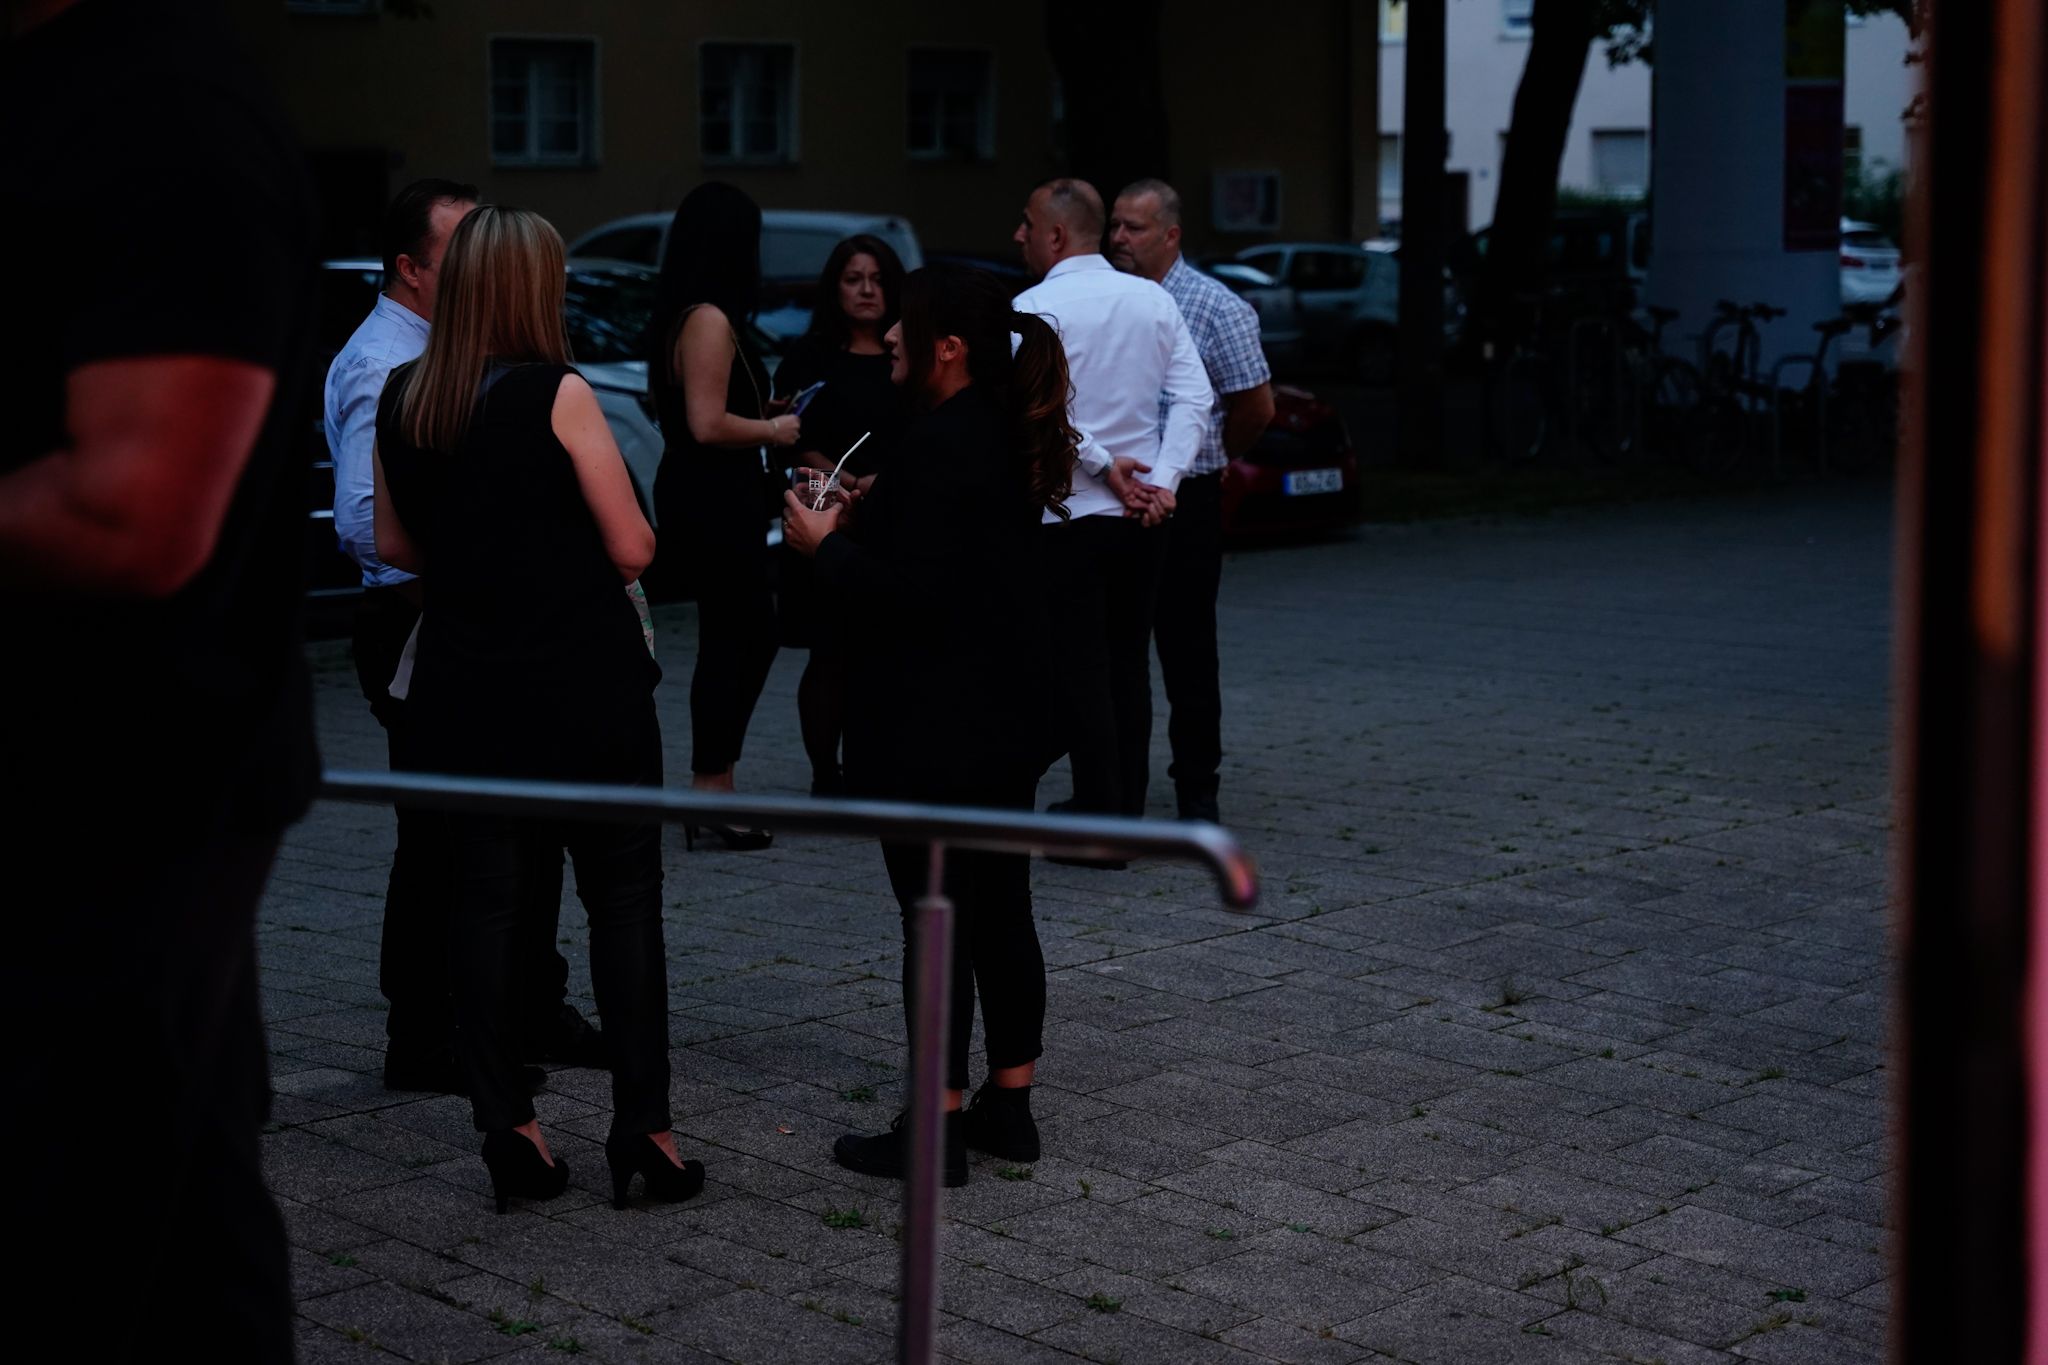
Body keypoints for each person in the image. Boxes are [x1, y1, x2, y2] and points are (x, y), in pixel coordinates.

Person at [2, 0, 318, 1354]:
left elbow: (135, 508)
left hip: (107, 798)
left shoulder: (160, 109)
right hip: (96, 799)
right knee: (186, 1248)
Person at [371, 206, 704, 1213]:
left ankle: (508, 1128)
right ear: (533, 288)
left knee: (484, 903)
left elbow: (393, 546)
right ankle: (644, 1132)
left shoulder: (402, 395)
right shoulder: (557, 392)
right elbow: (634, 548)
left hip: (464, 690)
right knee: (623, 902)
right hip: (584, 688)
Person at [782, 264, 1076, 1184]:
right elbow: (957, 563)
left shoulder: (940, 443)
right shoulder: (990, 428)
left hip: (938, 728)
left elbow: (917, 597)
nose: (890, 337)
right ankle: (1009, 1104)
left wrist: (825, 544)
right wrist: (873, 510)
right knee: (1001, 906)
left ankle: (938, 1127)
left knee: (937, 919)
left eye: (905, 323)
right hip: (1003, 719)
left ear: (947, 346)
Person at [326, 179, 606, 1092]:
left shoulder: (461, 353)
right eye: (463, 251)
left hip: (471, 616)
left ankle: (526, 1006)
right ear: (411, 269)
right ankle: (422, 1035)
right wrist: (481, 575)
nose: (485, 265)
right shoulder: (386, 364)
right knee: (441, 836)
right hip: (421, 618)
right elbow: (367, 525)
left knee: (524, 827)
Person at [1012, 179, 1213, 837]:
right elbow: (1196, 398)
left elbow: (1038, 409)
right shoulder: (1152, 299)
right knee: (1128, 661)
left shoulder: (1032, 308)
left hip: (1067, 513)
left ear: (1055, 235)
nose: (1018, 236)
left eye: (1027, 224)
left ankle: (1101, 818)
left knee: (1080, 666)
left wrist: (1105, 467)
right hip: (1141, 518)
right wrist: (1164, 481)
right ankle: (1124, 811)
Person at [1108, 178, 1275, 823]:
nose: (1119, 238)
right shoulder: (1112, 300)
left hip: (1187, 498)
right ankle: (1114, 790)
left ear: (1171, 235)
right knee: (1116, 647)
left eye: (1135, 228)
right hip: (1114, 495)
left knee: (1187, 648)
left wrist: (1209, 459)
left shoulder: (1215, 307)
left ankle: (1197, 789)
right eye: (1115, 225)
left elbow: (1256, 406)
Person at [646, 181, 798, 849]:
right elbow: (706, 423)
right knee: (738, 635)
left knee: (744, 634)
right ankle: (711, 787)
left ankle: (716, 782)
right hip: (711, 494)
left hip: (708, 491)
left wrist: (762, 411)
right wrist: (775, 430)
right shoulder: (707, 317)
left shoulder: (688, 313)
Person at [771, 234, 909, 796]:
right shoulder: (811, 356)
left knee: (887, 652)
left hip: (895, 515)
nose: (867, 290)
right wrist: (848, 482)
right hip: (826, 511)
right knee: (829, 652)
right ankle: (826, 775)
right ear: (835, 287)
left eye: (877, 279)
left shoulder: (911, 354)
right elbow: (789, 436)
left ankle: (877, 768)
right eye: (854, 279)